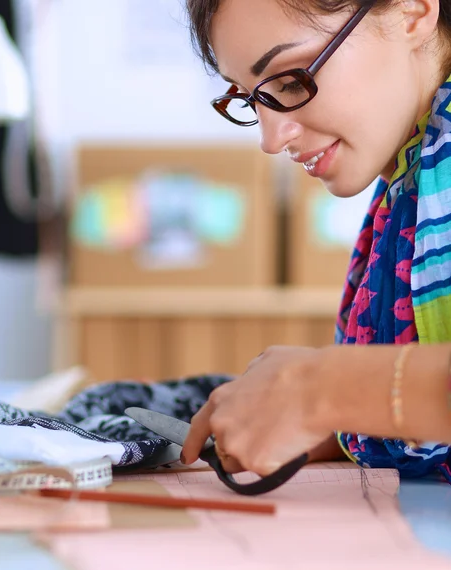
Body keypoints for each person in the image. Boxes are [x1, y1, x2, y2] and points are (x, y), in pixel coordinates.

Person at [181, 0, 451, 482]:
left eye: (290, 80)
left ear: (411, 11)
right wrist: (340, 424)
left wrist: (322, 389)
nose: (270, 138)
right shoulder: (412, 173)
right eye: (250, 98)